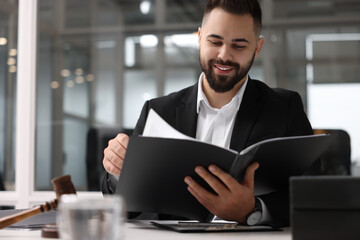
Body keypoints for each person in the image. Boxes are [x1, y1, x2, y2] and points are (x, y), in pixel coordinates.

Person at [102, 0, 316, 227]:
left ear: (257, 47)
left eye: (239, 46)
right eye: (215, 41)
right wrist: (118, 171)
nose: (224, 55)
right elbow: (127, 209)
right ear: (199, 38)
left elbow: (313, 195)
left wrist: (252, 210)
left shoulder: (284, 108)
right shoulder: (157, 111)